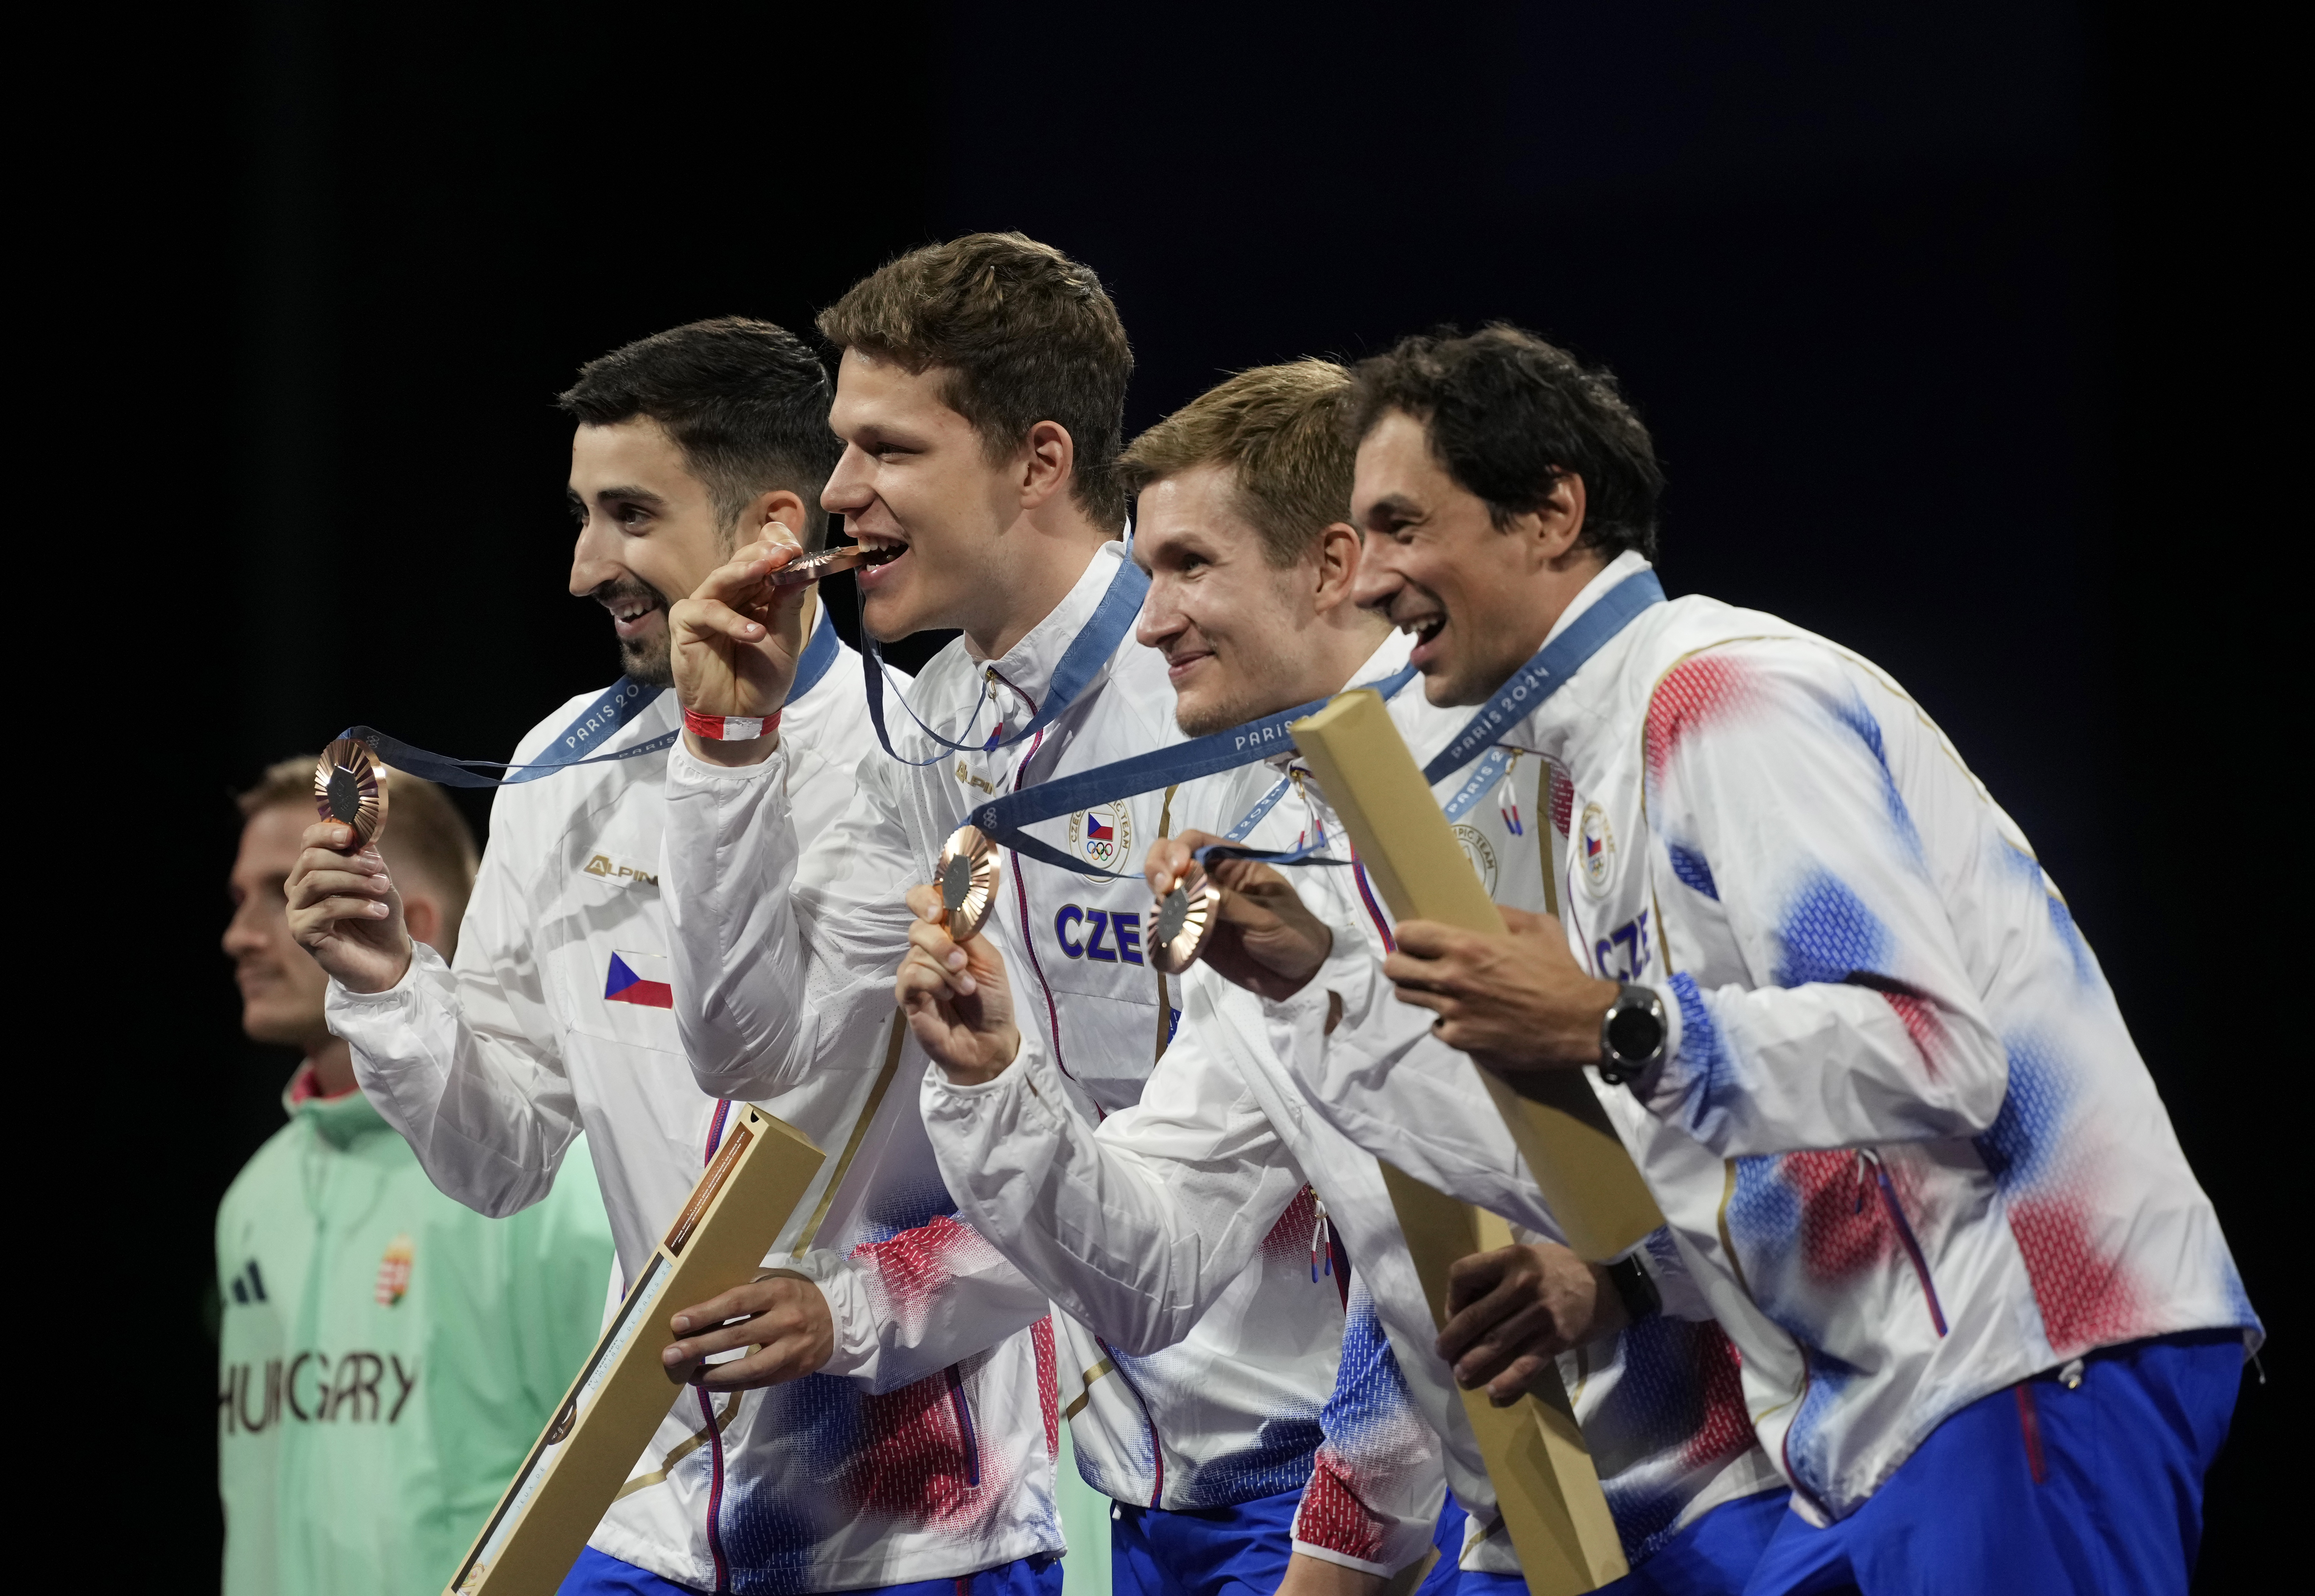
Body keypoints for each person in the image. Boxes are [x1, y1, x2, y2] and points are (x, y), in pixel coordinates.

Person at [1236, 325, 2258, 1594]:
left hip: (2026, 1342)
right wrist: (1618, 1278)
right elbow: (1767, 1137)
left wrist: (1613, 1021)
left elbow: (1934, 1054)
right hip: (1898, 1408)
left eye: (1400, 525)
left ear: (1550, 511)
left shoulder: (1718, 699)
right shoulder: (1588, 780)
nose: (1370, 582)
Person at [900, 360, 1786, 1595]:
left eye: (1187, 566)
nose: (1148, 623)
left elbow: (1737, 1128)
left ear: (1327, 568)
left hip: (1737, 1502)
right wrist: (994, 1082)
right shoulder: (1270, 868)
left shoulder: (1543, 771)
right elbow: (1155, 1268)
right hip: (1515, 1526)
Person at [660, 238, 1434, 1594]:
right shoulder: (939, 734)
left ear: (1036, 460)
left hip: (1335, 1464)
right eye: (842, 447)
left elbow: (1356, 1152)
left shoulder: (1228, 710)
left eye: (886, 449)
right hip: (1137, 1481)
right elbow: (757, 1051)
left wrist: (867, 1302)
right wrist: (726, 749)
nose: (835, 494)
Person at [286, 319, 894, 1595]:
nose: (582, 567)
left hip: (903, 1514)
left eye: (627, 515)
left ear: (769, 530)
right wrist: (388, 982)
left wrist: (862, 1306)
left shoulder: (916, 763)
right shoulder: (562, 765)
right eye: (579, 515)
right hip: (650, 1515)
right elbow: (500, 1157)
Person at [219, 756, 612, 1596]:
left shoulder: (551, 1184)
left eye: (283, 892)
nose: (243, 934)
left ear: (409, 920)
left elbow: (619, 1481)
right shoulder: (252, 1200)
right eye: (243, 897)